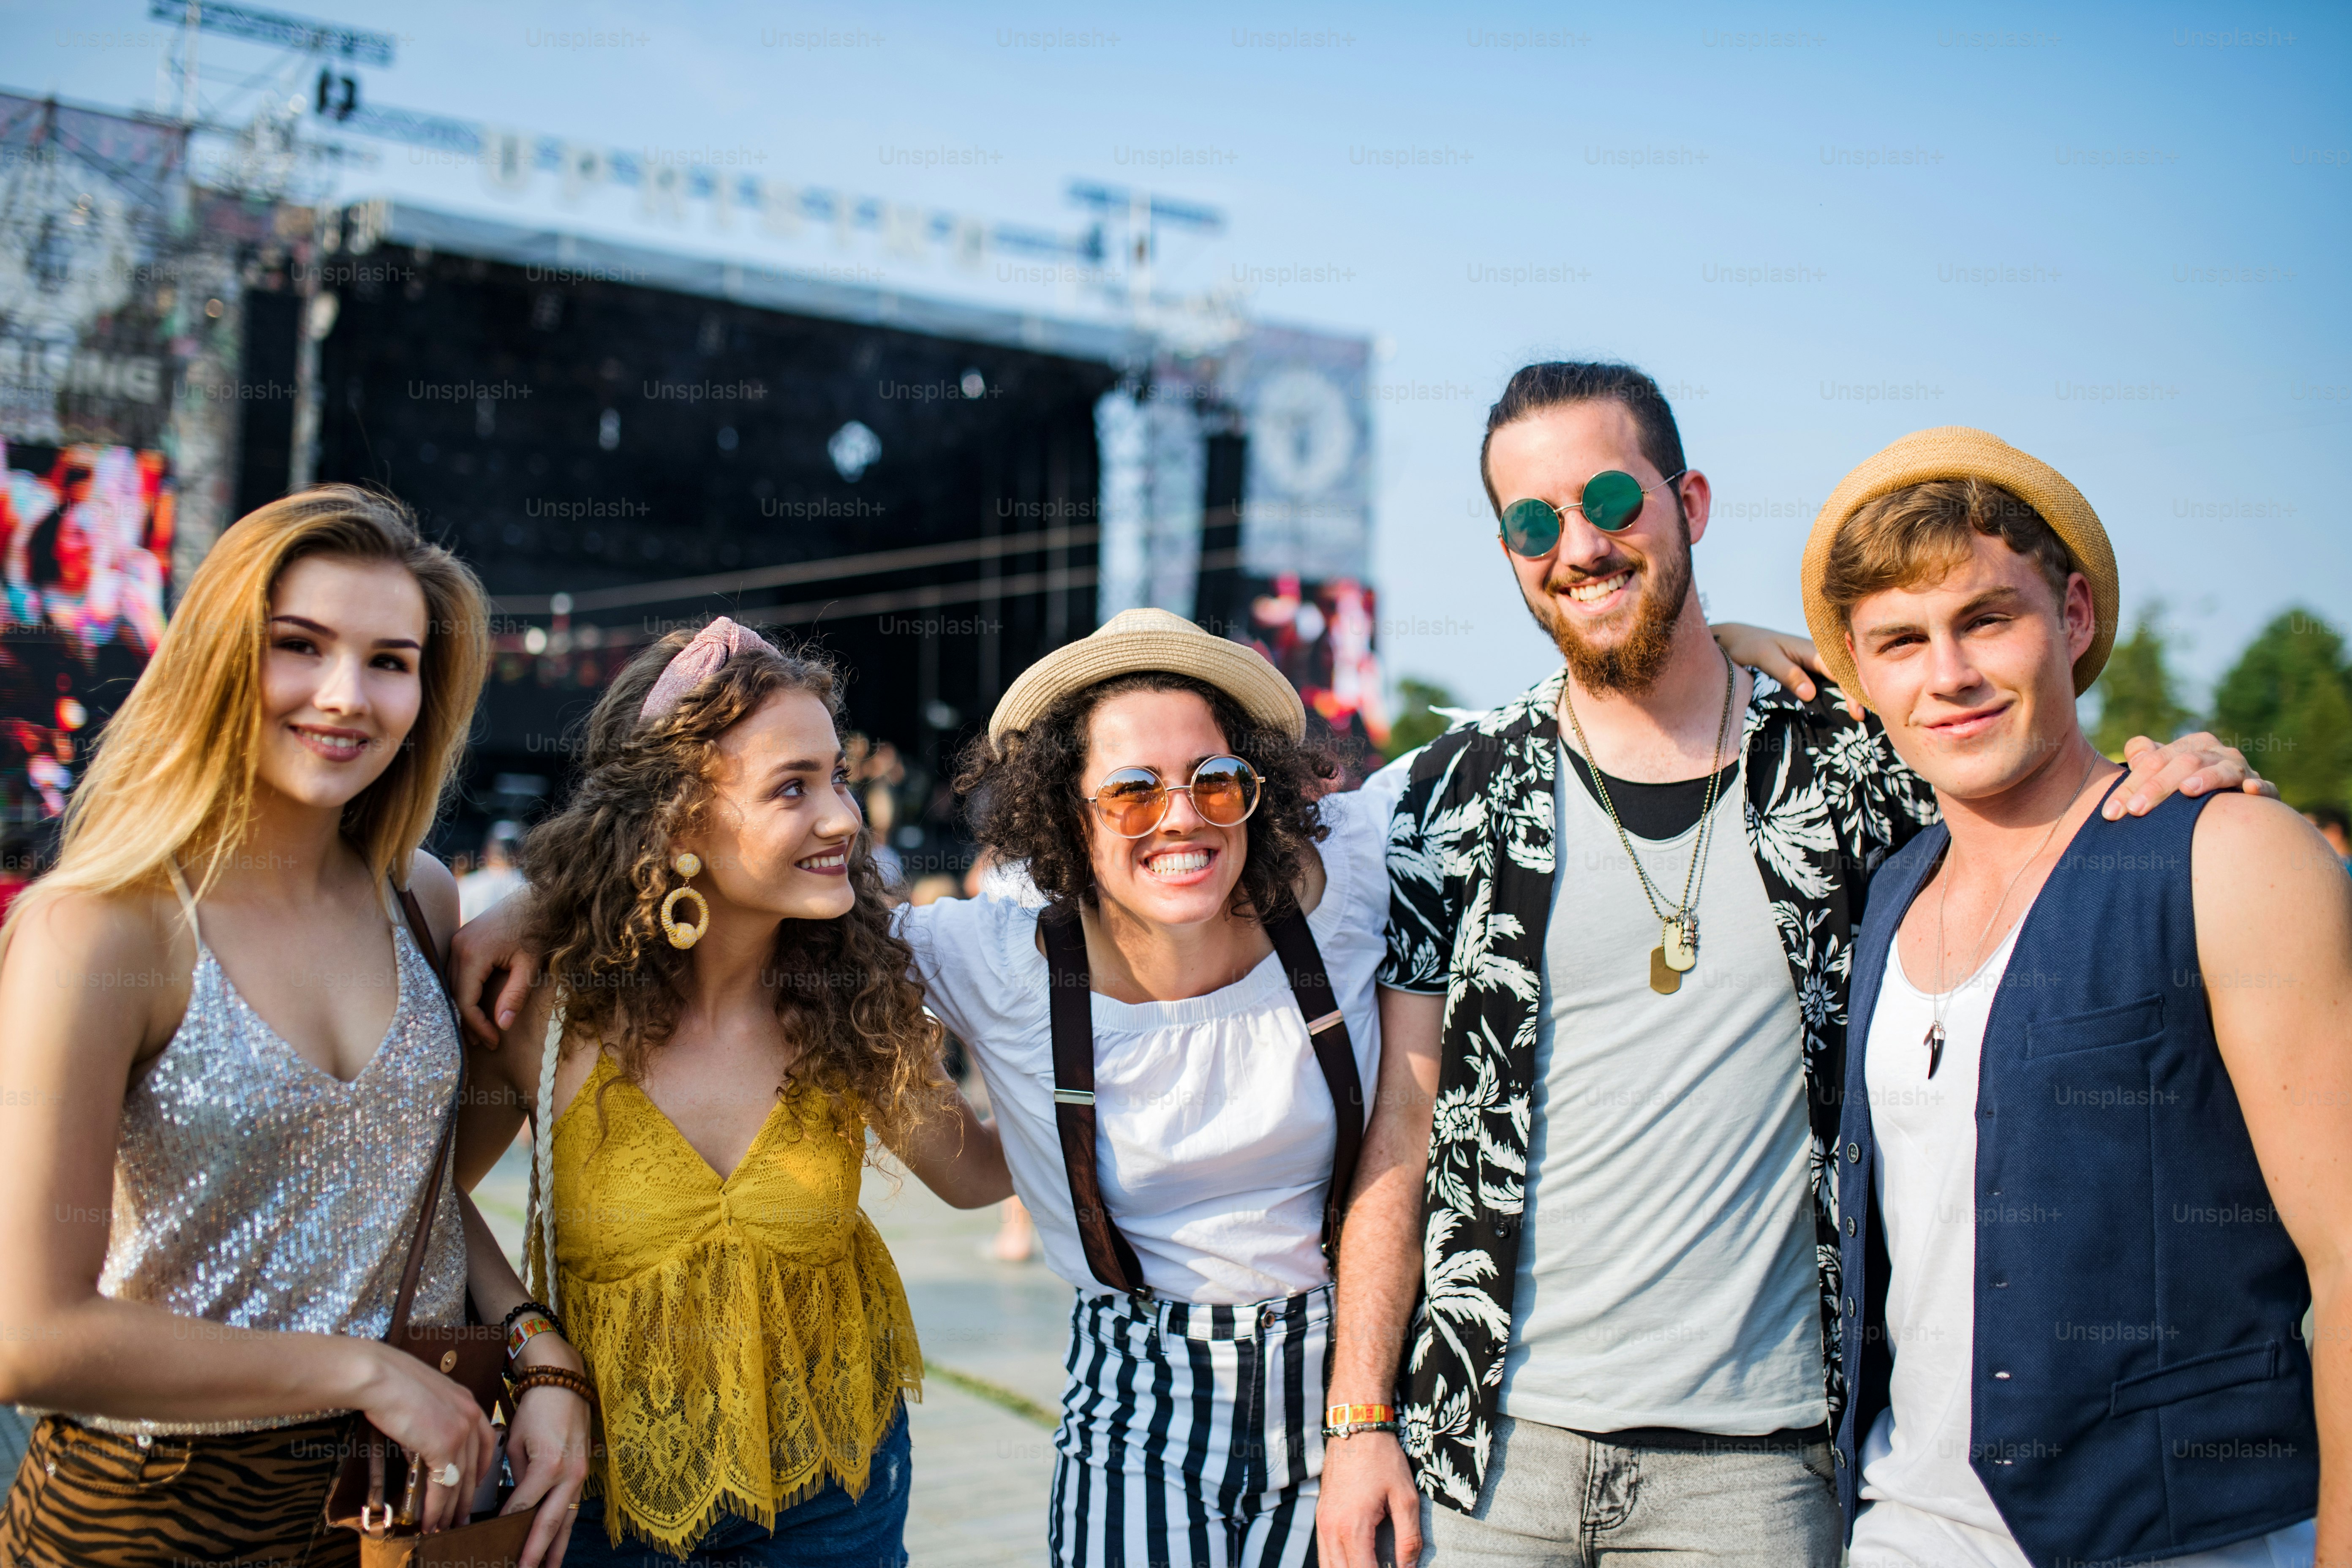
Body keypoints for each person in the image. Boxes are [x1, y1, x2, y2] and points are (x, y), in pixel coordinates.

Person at [1315, 364, 2270, 1568]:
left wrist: (2174, 771)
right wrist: (1360, 1418)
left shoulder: (1849, 762)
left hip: (1760, 1470)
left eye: (1612, 497)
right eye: (1531, 521)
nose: (1578, 545)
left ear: (1691, 502)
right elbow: (1404, 1123)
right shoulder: (1457, 793)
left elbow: (2029, 774)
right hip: (1488, 1451)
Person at [0, 486, 589, 1568]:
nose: (343, 695)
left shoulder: (419, 899)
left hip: (393, 1503)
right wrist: (365, 1371)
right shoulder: (98, 929)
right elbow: (30, 1335)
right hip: (154, 1510)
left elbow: (414, 1194)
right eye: (299, 645)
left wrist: (538, 1354)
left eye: (389, 661)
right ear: (222, 656)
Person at [1804, 431, 2339, 1568]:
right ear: (1860, 674)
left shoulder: (2227, 848)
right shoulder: (1889, 890)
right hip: (1901, 1534)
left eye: (1988, 619)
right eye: (1901, 641)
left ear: (2077, 616)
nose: (1946, 673)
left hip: (2184, 1533)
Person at [453, 617, 1012, 1567]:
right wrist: (530, 1336)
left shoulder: (852, 1004)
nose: (844, 816)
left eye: (836, 776)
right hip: (596, 1496)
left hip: (837, 1498)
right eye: (793, 787)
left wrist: (1076, 1043)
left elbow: (976, 1178)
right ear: (677, 819)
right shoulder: (545, 1010)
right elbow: (430, 1201)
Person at [459, 819, 527, 923]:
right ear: (520, 854)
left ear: (486, 851)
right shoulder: (529, 887)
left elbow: (459, 924)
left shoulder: (469, 884)